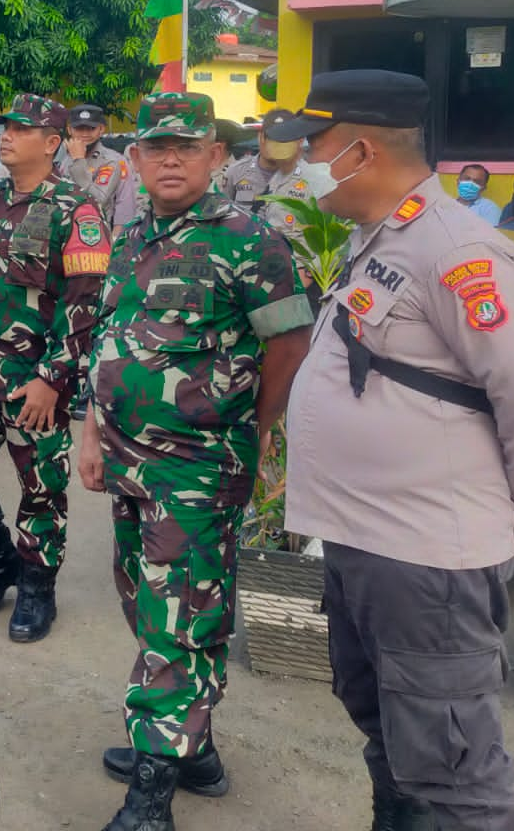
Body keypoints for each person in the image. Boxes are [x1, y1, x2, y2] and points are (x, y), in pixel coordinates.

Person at [265, 71, 514, 831]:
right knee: (392, 732)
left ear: (361, 150)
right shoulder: (385, 237)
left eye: (312, 146)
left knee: (454, 770)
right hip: (370, 541)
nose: (299, 162)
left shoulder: (456, 247)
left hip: (426, 555)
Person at [78, 92, 314, 831]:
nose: (170, 159)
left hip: (198, 466)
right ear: (137, 158)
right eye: (156, 147)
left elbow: (290, 343)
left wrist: (260, 422)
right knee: (149, 603)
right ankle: (194, 749)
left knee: (178, 617)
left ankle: (150, 798)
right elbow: (112, 338)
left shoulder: (250, 238)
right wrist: (91, 431)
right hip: (126, 459)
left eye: (187, 146)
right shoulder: (131, 234)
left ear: (216, 156)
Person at [0, 92, 110, 644]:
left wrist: (54, 379)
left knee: (41, 488)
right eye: (6, 127)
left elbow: (86, 303)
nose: (6, 136)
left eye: (21, 129)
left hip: (35, 382)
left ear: (52, 143)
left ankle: (35, 584)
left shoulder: (78, 208)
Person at [219, 108, 312, 242]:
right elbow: (223, 217)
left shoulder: (310, 178)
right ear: (261, 137)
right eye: (271, 138)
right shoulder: (235, 172)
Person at [62, 104, 139, 229]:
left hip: (97, 232)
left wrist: (78, 161)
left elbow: (106, 202)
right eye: (79, 129)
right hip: (65, 229)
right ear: (70, 130)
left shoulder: (114, 160)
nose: (85, 134)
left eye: (91, 128)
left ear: (101, 129)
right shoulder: (64, 160)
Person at [456, 163, 503, 227]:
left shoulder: (490, 209)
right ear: (458, 181)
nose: (470, 184)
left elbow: (491, 235)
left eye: (477, 182)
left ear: (483, 188)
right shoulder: (444, 206)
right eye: (467, 178)